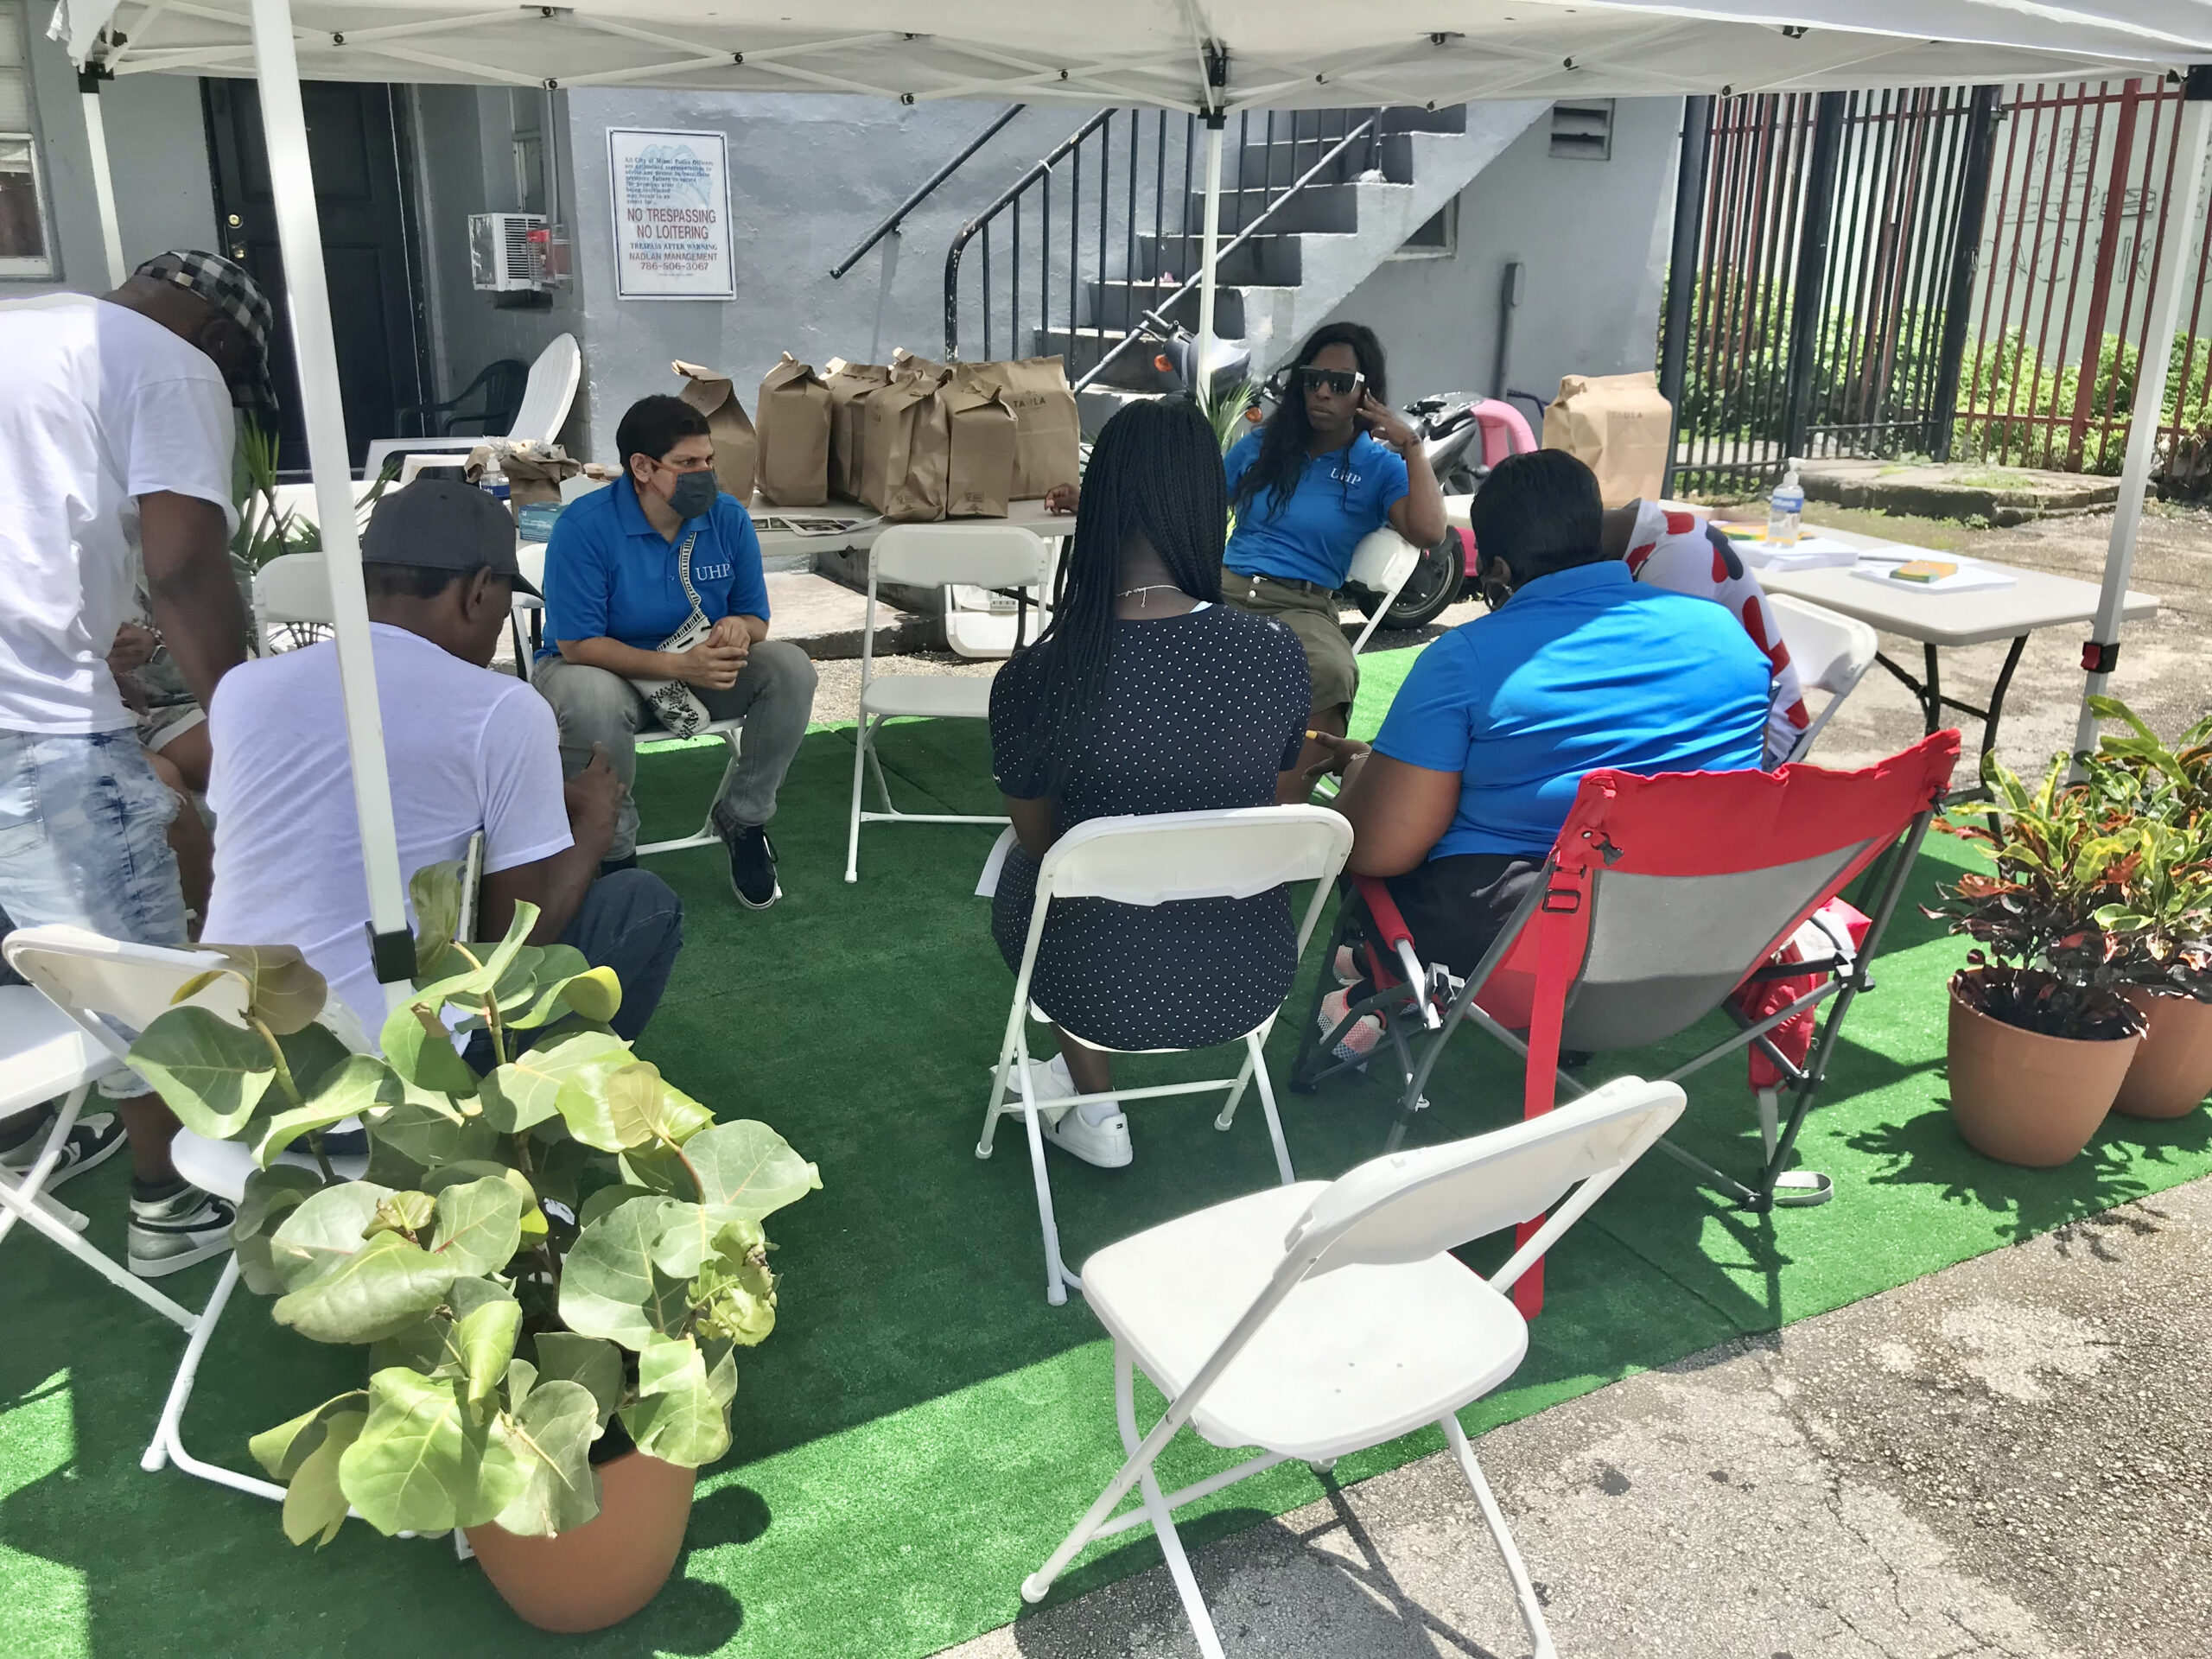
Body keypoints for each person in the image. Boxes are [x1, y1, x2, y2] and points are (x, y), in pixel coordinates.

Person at [0, 250, 270, 1278]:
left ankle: (31, 1134)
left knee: (20, 958)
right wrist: (243, 721)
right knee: (132, 975)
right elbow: (184, 561)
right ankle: (170, 1202)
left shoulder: (24, 330)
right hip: (40, 728)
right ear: (215, 334)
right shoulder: (162, 364)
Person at [202, 480, 684, 1046]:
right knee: (642, 904)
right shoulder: (503, 709)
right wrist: (596, 828)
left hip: (235, 1058)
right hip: (393, 1080)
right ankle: (523, 1115)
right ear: (480, 591)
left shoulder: (245, 689)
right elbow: (505, 954)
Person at [1312, 452, 1770, 1042]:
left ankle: (1392, 979)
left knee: (1358, 837)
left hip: (1534, 944)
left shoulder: (1465, 659)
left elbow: (1379, 851)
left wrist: (1360, 776)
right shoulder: (1723, 632)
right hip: (1707, 928)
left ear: (1497, 570)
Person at [988, 398, 1310, 1169]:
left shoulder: (1037, 676)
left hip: (1093, 982)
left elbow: (1041, 844)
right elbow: (1276, 807)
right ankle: (1089, 1099)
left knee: (1037, 871)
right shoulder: (1274, 653)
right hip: (1247, 974)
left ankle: (1096, 1109)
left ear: (1097, 508)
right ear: (1207, 504)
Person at [536, 395, 818, 908]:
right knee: (589, 697)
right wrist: (677, 665)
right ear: (641, 468)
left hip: (695, 669)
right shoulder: (584, 526)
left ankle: (744, 817)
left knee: (791, 668)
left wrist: (735, 628)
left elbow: (756, 619)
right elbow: (577, 644)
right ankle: (613, 850)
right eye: (688, 463)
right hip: (599, 669)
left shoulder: (726, 518)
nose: (704, 474)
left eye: (709, 461)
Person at [1222, 323, 1446, 799]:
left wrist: (1411, 446)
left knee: (1330, 671)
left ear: (1366, 394)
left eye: (1340, 383)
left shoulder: (1378, 467)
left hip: (1301, 606)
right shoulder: (1264, 447)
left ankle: (1280, 817)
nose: (1322, 391)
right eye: (1312, 379)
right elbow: (1195, 497)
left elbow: (1429, 531)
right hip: (1225, 587)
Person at [1606, 499, 1810, 766]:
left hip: (1763, 736)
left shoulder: (1678, 554)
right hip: (1712, 721)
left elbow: (1671, 685)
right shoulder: (1634, 539)